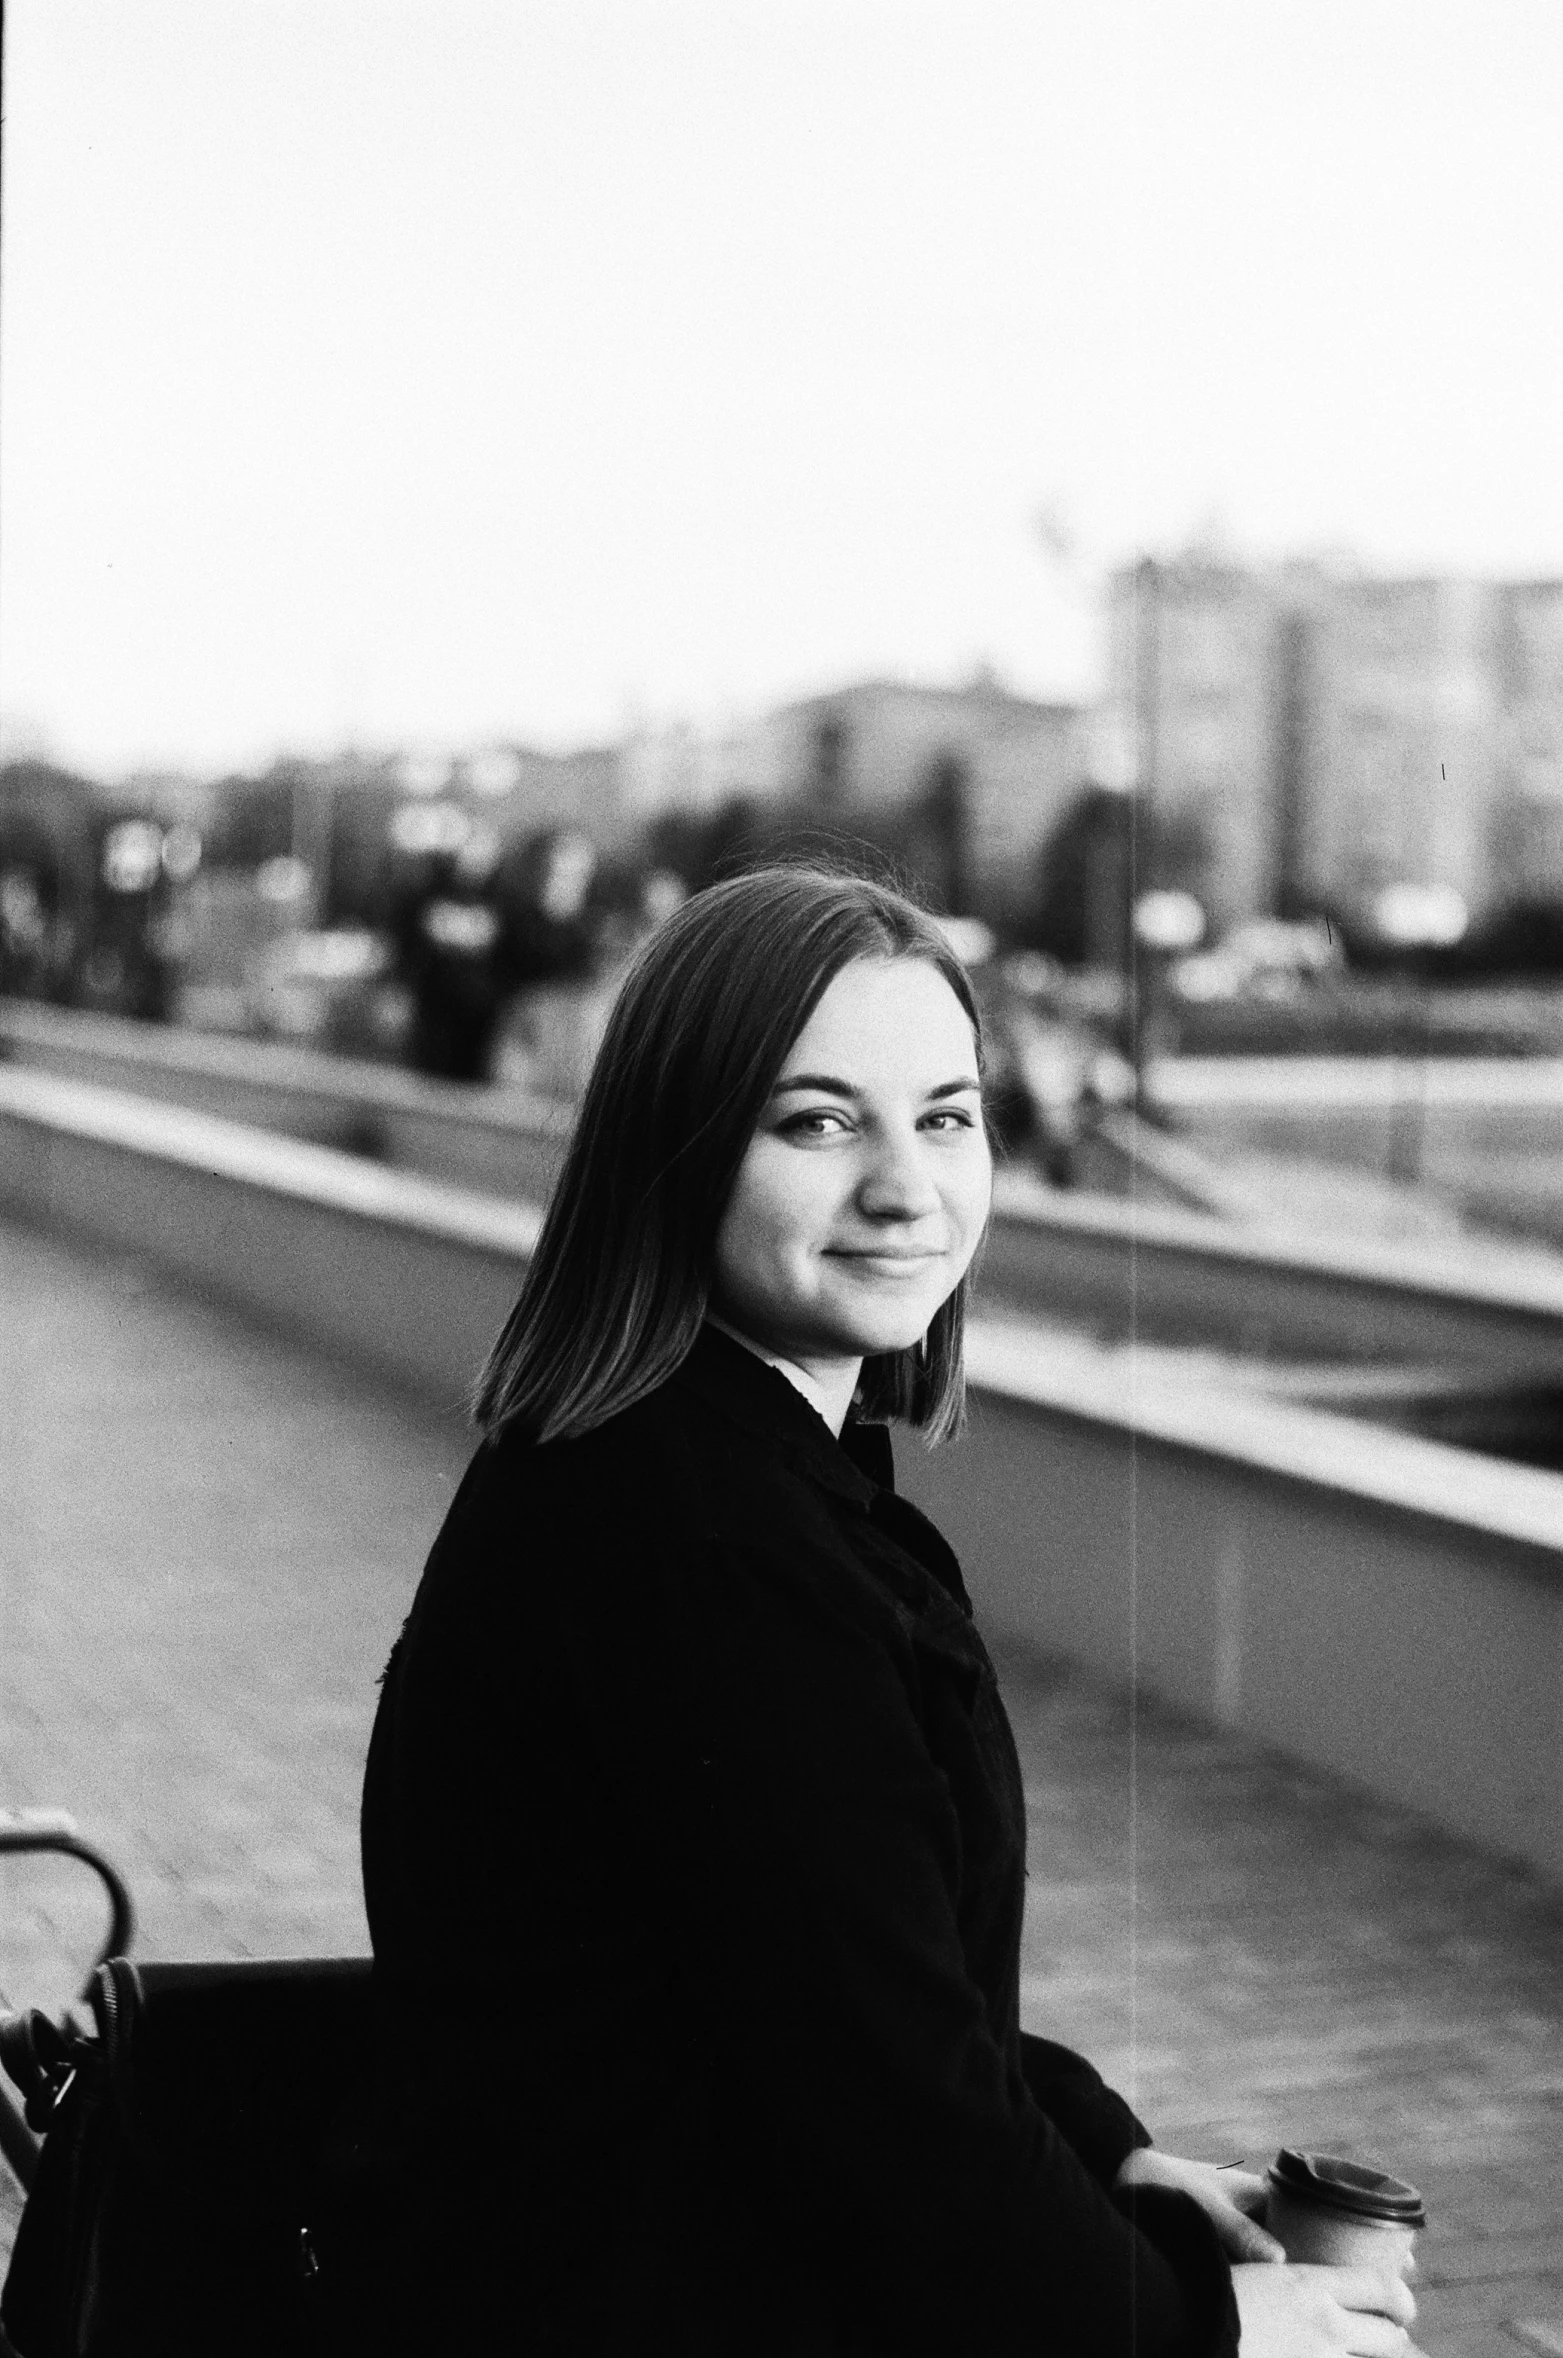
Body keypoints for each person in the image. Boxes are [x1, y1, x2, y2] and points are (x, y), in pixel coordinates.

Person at [355, 863, 1421, 2356]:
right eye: (817, 1119)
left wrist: (1106, 2149)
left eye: (942, 1115)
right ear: (675, 1150)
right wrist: (1219, 2329)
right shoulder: (710, 1549)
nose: (905, 1186)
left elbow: (813, 1988)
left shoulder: (675, 1468)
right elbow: (892, 2125)